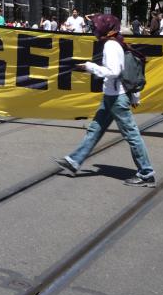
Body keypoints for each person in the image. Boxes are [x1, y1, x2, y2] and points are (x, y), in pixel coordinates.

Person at [54, 14, 155, 187]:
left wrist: (89, 67)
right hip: (111, 95)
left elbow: (114, 71)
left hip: (116, 97)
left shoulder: (111, 44)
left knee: (131, 134)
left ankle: (146, 173)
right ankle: (74, 160)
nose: (94, 29)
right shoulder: (116, 42)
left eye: (96, 26)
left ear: (106, 27)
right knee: (95, 128)